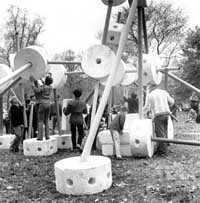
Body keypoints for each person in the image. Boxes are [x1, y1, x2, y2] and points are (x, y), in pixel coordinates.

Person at [143, 83, 174, 156]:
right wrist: (167, 106)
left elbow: (146, 107)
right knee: (165, 133)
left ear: (150, 88)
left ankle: (162, 152)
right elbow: (172, 102)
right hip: (166, 114)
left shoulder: (150, 95)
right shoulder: (164, 92)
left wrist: (140, 114)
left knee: (160, 134)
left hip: (158, 115)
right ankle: (164, 149)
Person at [30, 74, 53, 140]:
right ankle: (47, 136)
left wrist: (32, 84)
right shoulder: (50, 87)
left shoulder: (43, 87)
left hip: (42, 104)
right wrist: (40, 79)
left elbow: (37, 90)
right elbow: (45, 84)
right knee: (46, 121)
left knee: (40, 121)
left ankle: (40, 137)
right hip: (48, 104)